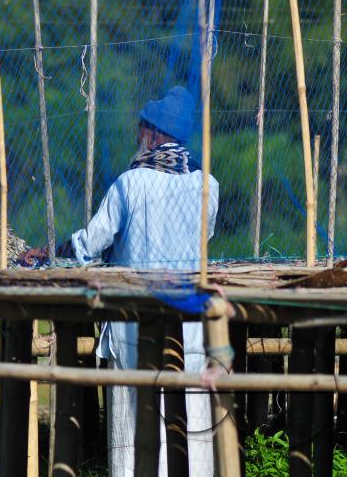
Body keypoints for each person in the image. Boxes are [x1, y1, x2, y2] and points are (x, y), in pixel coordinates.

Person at [20, 85, 217, 477]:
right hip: (191, 330)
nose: (139, 135)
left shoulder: (131, 184)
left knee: (133, 431)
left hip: (134, 329)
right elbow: (201, 242)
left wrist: (47, 252)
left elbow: (90, 244)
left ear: (155, 135)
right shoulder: (208, 187)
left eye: (143, 128)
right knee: (190, 428)